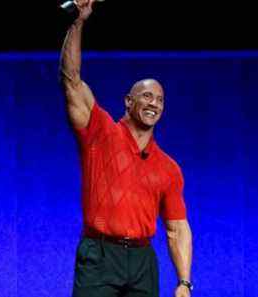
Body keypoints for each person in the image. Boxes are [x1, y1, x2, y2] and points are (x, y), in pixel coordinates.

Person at [59, 1, 193, 297]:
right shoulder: (101, 132)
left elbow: (177, 228)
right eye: (146, 96)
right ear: (128, 102)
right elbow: (71, 81)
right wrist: (78, 22)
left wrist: (184, 282)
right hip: (100, 256)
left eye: (159, 99)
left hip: (143, 262)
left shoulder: (168, 168)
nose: (154, 103)